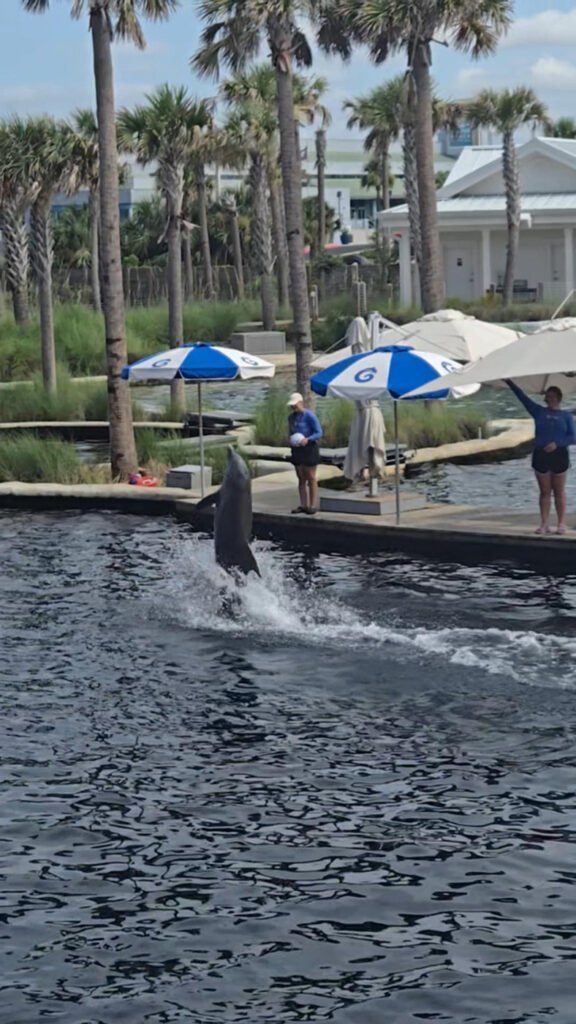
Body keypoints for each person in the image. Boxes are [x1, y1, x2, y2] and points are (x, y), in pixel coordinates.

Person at [506, 379, 575, 534]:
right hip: (541, 454)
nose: (548, 399)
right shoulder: (539, 412)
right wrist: (510, 382)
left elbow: (573, 437)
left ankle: (561, 524)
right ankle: (544, 524)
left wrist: (557, 443)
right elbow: (522, 397)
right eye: (547, 397)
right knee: (544, 492)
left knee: (559, 491)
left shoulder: (566, 416)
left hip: (559, 454)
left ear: (558, 398)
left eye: (551, 397)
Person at [287, 392, 323, 515]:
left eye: (295, 405)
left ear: (301, 403)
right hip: (297, 448)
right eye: (292, 406)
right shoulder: (291, 418)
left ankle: (313, 505)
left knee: (311, 477)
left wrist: (308, 439)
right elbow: (290, 431)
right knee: (301, 477)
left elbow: (318, 432)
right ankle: (303, 504)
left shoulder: (309, 416)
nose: (293, 408)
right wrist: (291, 440)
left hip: (309, 447)